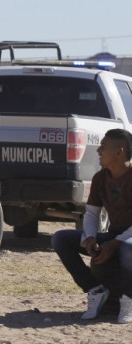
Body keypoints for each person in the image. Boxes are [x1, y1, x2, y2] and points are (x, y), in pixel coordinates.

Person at [51, 128, 132, 324]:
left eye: (103, 147)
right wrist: (89, 238)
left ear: (119, 151)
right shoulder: (100, 178)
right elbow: (92, 213)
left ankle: (128, 299)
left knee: (128, 248)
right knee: (60, 239)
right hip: (114, 236)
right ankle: (95, 289)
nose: (98, 151)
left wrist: (115, 243)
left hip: (128, 241)